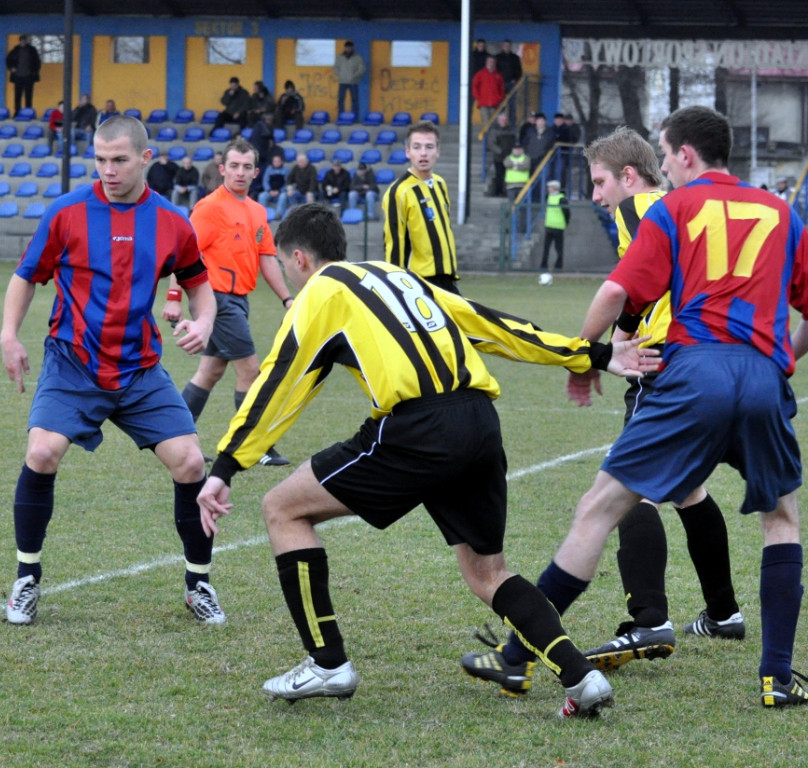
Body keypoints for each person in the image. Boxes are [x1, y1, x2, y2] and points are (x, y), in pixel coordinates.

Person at [196, 202, 661, 712]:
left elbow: (279, 383)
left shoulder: (320, 293)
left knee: (283, 507)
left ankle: (327, 663)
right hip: (480, 420)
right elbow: (486, 322)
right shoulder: (399, 277)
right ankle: (580, 677)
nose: (288, 276)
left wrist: (226, 465)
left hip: (418, 427)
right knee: (488, 574)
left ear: (301, 259)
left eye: (285, 266)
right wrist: (591, 354)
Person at [463, 105, 808, 709]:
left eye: (667, 155)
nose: (664, 166)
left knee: (599, 507)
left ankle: (517, 659)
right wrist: (784, 360)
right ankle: (777, 676)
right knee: (780, 519)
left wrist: (586, 356)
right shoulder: (782, 212)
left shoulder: (673, 207)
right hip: (759, 376)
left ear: (686, 156)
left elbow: (621, 290)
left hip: (692, 373)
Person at [0, 115, 223, 629]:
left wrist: (205, 320)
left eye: (119, 159)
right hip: (72, 362)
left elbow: (196, 282)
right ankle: (26, 579)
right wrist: (9, 335)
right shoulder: (66, 212)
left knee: (191, 462)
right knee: (41, 451)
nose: (108, 170)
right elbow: (26, 276)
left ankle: (199, 584)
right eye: (100, 159)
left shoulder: (171, 221)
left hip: (140, 370)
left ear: (146, 158)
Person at [566, 126, 743, 671]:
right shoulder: (681, 206)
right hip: (718, 360)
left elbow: (633, 283)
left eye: (599, 182)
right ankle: (724, 614)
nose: (596, 196)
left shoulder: (640, 206)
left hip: (667, 366)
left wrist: (587, 352)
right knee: (688, 489)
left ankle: (648, 621)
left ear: (628, 175)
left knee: (627, 490)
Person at [163, 138, 293, 468]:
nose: (240, 172)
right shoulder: (209, 207)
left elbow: (267, 258)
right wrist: (174, 297)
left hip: (239, 301)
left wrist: (288, 298)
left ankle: (173, 439)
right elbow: (184, 255)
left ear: (256, 172)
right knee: (250, 370)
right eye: (233, 166)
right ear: (222, 169)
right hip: (215, 299)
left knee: (210, 371)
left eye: (246, 167)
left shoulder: (256, 211)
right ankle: (254, 446)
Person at [381, 120, 458, 294]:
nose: (423, 153)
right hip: (419, 282)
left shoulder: (440, 183)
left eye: (429, 147)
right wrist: (396, 286)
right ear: (408, 152)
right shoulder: (399, 192)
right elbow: (394, 243)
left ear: (438, 151)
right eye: (417, 147)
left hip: (446, 276)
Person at [6, 35, 41, 114]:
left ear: (27, 41)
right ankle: (17, 112)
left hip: (29, 76)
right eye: (22, 40)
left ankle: (28, 112)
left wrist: (34, 71)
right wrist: (11, 68)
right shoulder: (15, 50)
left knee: (29, 96)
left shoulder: (32, 50)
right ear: (19, 41)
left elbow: (37, 62)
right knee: (17, 96)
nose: (23, 42)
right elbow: (8, 60)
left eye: (24, 40)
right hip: (18, 77)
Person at [539, 179, 569, 270]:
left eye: (550, 187)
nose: (548, 189)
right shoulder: (548, 197)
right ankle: (544, 265)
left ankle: (558, 265)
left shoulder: (561, 199)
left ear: (554, 188)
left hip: (558, 226)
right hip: (549, 225)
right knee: (546, 248)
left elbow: (566, 212)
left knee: (558, 248)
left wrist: (565, 222)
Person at [333, 41, 366, 119]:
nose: (348, 49)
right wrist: (341, 74)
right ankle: (340, 117)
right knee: (341, 100)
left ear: (352, 48)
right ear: (344, 48)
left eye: (350, 47)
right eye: (347, 47)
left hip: (353, 82)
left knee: (355, 100)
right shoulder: (339, 57)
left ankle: (354, 118)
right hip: (342, 82)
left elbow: (362, 69)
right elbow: (335, 68)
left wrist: (354, 76)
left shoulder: (358, 57)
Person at [488, 112, 516, 197]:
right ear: (498, 120)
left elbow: (514, 141)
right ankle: (498, 191)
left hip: (509, 157)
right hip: (499, 157)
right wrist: (500, 151)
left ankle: (505, 192)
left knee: (507, 175)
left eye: (505, 119)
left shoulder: (510, 129)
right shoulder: (494, 130)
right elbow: (491, 144)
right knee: (499, 175)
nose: (504, 121)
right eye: (502, 119)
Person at [471, 55, 505, 127]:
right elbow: (474, 86)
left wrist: (499, 98)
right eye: (489, 61)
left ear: (495, 63)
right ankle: (487, 138)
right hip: (483, 103)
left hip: (494, 104)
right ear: (486, 62)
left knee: (493, 123)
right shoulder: (480, 74)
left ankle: (491, 138)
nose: (491, 63)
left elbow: (502, 88)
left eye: (492, 62)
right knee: (486, 123)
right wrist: (478, 97)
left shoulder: (498, 75)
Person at [494, 39, 523, 122]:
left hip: (511, 84)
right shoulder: (497, 57)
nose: (507, 47)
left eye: (508, 45)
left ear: (510, 47)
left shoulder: (515, 58)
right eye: (505, 45)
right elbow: (495, 71)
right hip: (500, 85)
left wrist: (515, 79)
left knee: (512, 105)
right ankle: (500, 123)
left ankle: (512, 123)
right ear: (502, 47)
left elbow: (519, 71)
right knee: (500, 105)